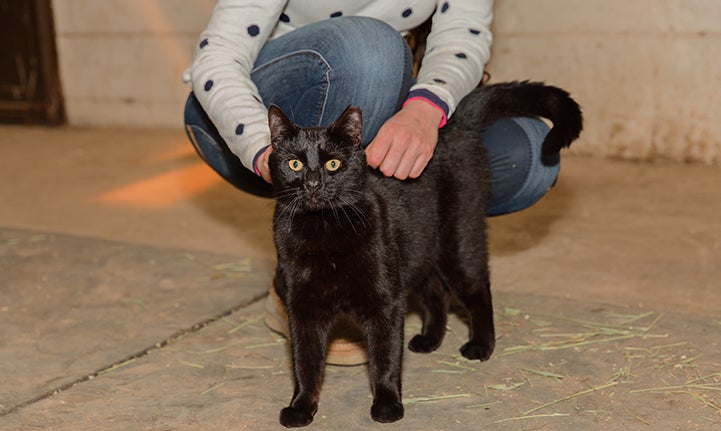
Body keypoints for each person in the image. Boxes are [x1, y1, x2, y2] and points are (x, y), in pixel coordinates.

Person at [183, 0, 560, 365]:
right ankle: (296, 284)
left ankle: (378, 262)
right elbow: (215, 58)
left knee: (525, 156)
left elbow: (466, 32)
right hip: (253, 114)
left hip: (372, 119)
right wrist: (266, 151)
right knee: (374, 52)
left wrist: (427, 107)